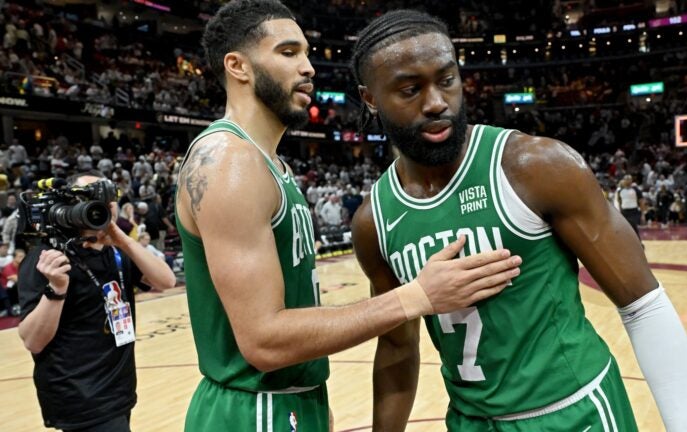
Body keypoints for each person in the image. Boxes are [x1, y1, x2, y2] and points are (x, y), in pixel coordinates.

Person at [349, 10, 687, 432]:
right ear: (370, 98)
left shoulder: (534, 166)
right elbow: (397, 348)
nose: (436, 102)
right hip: (471, 422)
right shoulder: (374, 222)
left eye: (447, 80)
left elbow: (643, 306)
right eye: (410, 89)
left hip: (574, 414)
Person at [175, 1, 522, 430]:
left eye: (305, 52)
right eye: (288, 53)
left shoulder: (265, 163)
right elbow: (263, 340)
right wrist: (416, 297)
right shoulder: (230, 162)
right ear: (238, 66)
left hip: (287, 402)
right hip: (252, 410)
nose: (308, 68)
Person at [17, 171, 176, 432]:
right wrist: (56, 289)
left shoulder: (116, 252)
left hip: (118, 391)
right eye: (90, 197)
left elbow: (166, 281)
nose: (102, 204)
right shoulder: (47, 259)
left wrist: (121, 237)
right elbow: (32, 340)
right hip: (81, 397)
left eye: (107, 197)